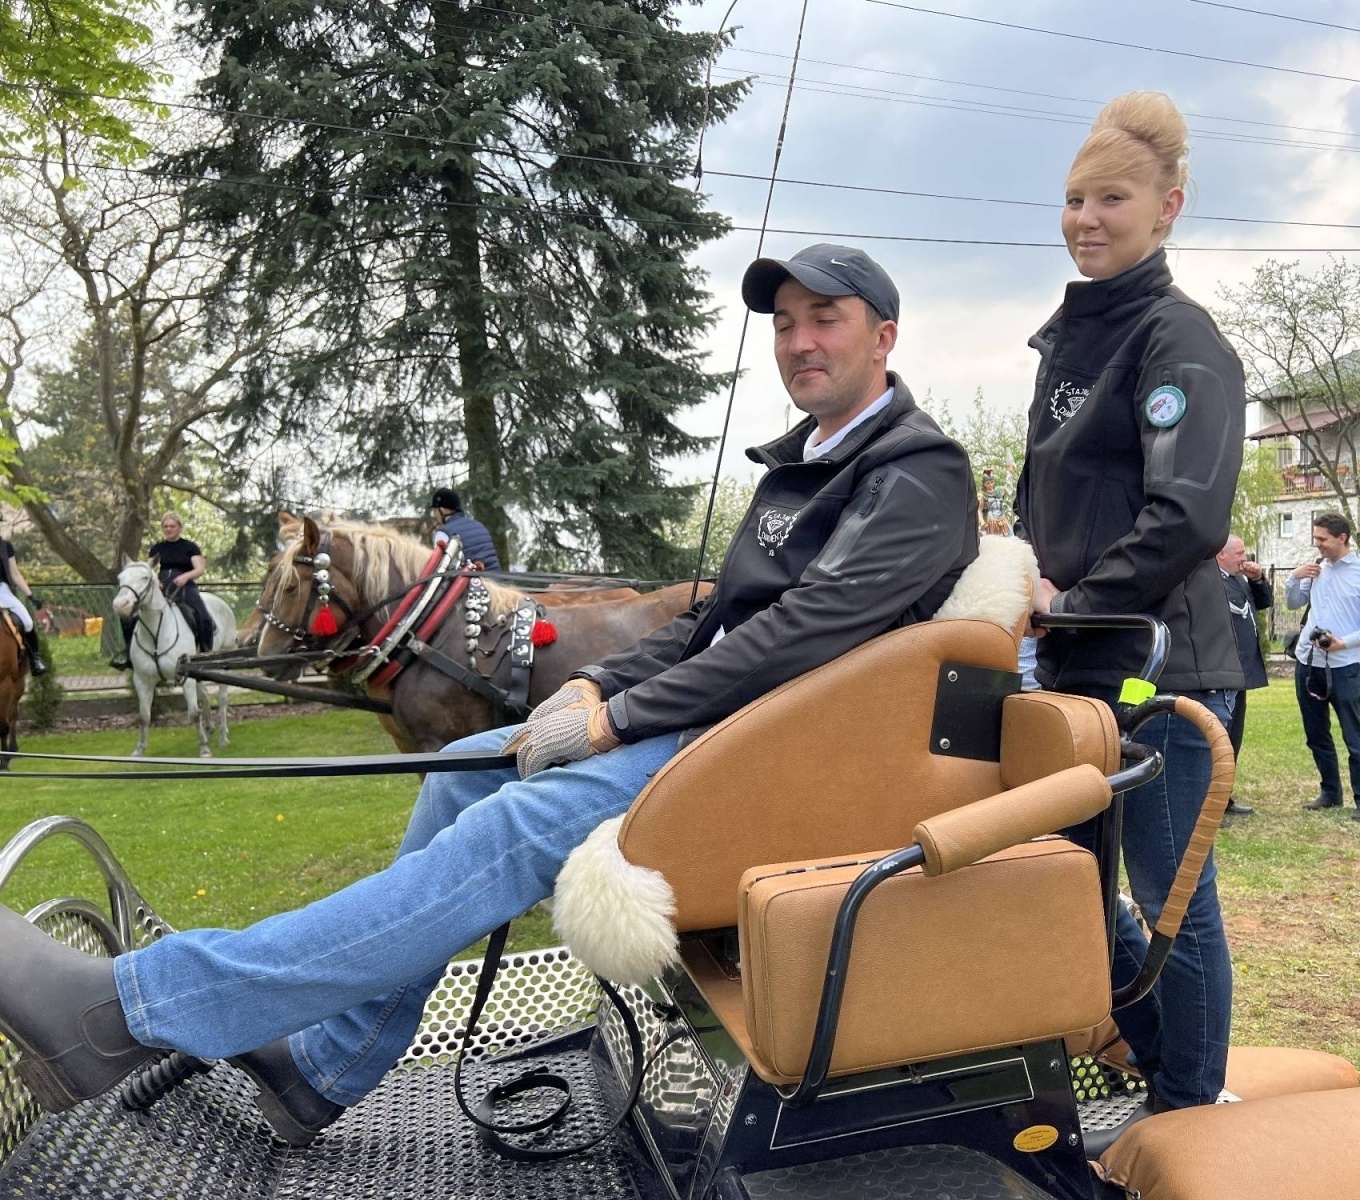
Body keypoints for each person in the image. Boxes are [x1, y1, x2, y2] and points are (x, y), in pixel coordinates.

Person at [0, 242, 978, 1147]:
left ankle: (123, 1013)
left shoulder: (916, 473)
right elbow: (712, 622)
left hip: (776, 763)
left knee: (505, 832)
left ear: (882, 337)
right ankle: (331, 1064)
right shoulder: (803, 468)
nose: (799, 341)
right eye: (784, 322)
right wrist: (593, 680)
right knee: (470, 766)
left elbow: (802, 635)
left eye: (827, 319)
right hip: (721, 729)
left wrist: (618, 716)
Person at [1015, 92, 1244, 1113]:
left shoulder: (1178, 340)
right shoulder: (1069, 342)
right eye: (1072, 199)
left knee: (1169, 902)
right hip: (1071, 674)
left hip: (1165, 673)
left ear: (1168, 209)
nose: (1086, 218)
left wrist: (1064, 604)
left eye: (1112, 197)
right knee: (1067, 890)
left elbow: (1186, 516)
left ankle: (1191, 1108)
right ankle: (1153, 1069)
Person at [1286, 512, 1360, 821]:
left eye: (1322, 539)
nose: (1317, 544)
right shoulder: (1317, 568)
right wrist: (1294, 577)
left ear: (1342, 538)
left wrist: (1343, 642)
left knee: (1353, 734)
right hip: (1308, 662)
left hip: (1343, 666)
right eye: (1315, 538)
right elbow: (1293, 603)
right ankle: (1330, 793)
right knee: (1316, 734)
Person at [1216, 535, 1272, 823]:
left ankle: (1224, 798)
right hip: (1223, 674)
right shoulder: (1212, 584)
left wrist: (1259, 580)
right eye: (1239, 553)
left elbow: (1263, 604)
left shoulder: (1238, 579)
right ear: (1220, 556)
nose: (1244, 558)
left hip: (1241, 675)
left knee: (1233, 740)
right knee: (1218, 740)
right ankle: (1210, 805)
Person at [110, 514, 214, 669]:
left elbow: (199, 569)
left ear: (179, 527)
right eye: (166, 527)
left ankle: (206, 654)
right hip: (162, 585)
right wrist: (156, 582)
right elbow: (148, 570)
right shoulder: (157, 548)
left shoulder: (190, 547)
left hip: (185, 586)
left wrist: (185, 576)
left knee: (204, 617)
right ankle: (129, 655)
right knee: (129, 617)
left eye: (172, 526)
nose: (169, 529)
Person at [0, 535, 49, 676]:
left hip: (3, 590)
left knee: (27, 622)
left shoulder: (5, 546)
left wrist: (30, 596)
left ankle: (34, 660)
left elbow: (15, 574)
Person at [429, 488, 501, 572]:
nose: (434, 514)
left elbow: (438, 568)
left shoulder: (443, 533)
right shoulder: (479, 525)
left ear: (442, 510)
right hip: (496, 580)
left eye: (435, 510)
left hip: (471, 582)